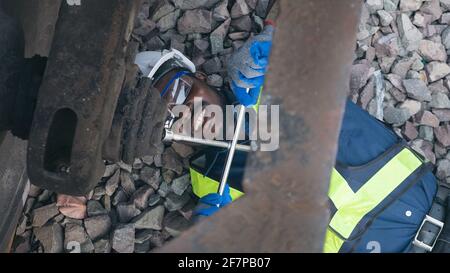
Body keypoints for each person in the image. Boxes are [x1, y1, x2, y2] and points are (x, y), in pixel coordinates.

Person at [187, 23, 450, 253]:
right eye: (165, 115)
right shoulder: (209, 187)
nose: (184, 109)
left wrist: (274, 36)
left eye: (179, 89)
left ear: (200, 77)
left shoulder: (267, 79)